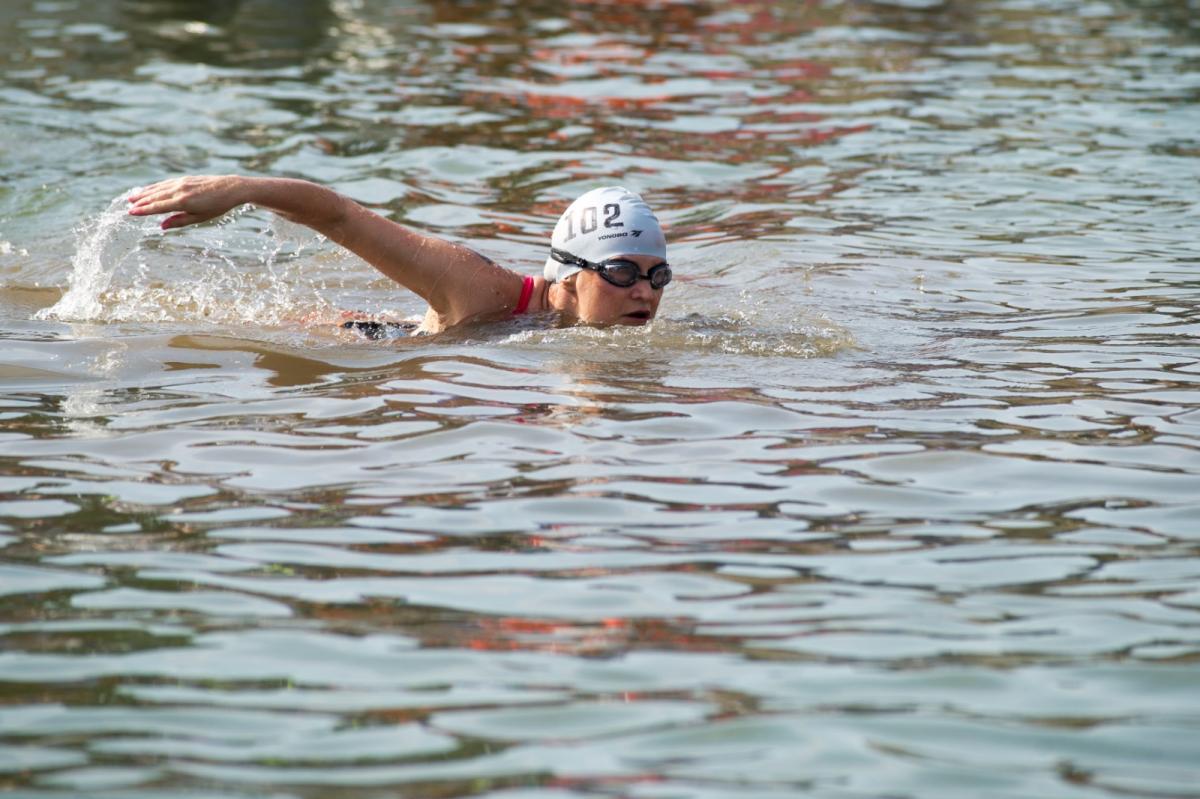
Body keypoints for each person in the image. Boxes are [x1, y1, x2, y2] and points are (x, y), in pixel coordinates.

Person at [126, 177, 671, 335]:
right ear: (571, 276)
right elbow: (341, 217)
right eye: (621, 271)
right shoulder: (481, 290)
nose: (644, 291)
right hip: (367, 339)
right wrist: (242, 188)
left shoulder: (635, 329)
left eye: (656, 274)